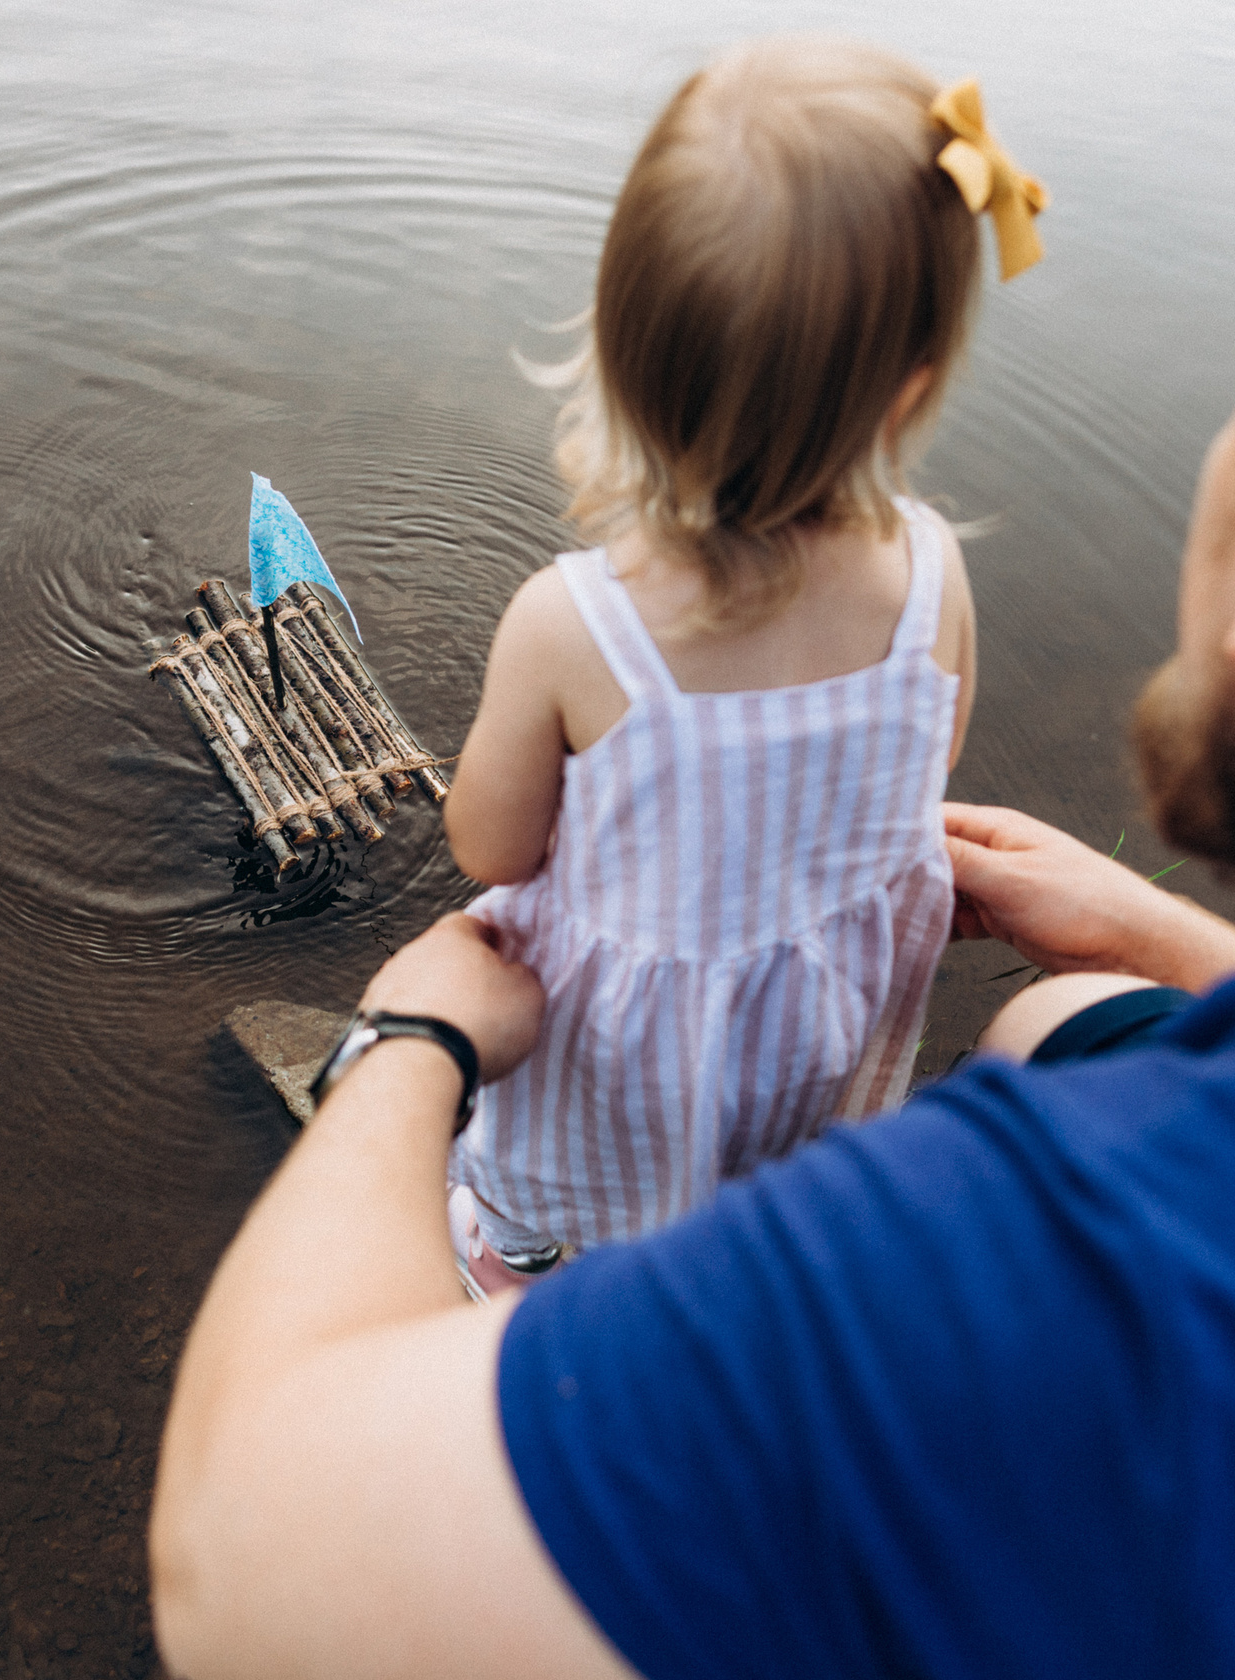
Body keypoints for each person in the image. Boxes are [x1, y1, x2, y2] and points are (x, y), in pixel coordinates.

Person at [150, 1, 1235, 1680]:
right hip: (827, 1023)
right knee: (1059, 1025)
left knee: (513, 1263)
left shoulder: (1012, 1253)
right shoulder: (932, 576)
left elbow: (233, 1559)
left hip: (614, 1088)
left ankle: (518, 1314)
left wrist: (415, 1040)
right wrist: (1166, 937)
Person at [439, 39, 1025, 1295]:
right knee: (765, 1187)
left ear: (622, 346)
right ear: (908, 391)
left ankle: (518, 1268)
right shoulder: (931, 578)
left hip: (620, 1081)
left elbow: (489, 847)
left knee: (535, 1196)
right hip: (811, 1057)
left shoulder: (571, 623)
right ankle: (755, 1274)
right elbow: (932, 761)